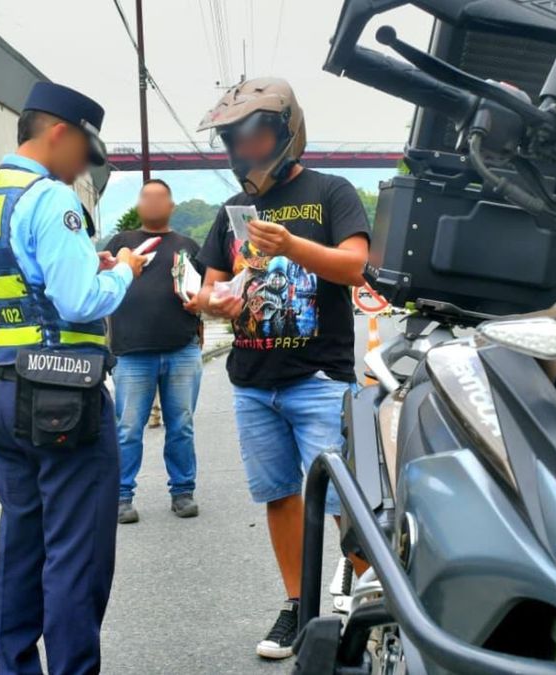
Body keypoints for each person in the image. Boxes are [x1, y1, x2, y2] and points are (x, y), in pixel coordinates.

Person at [0, 81, 146, 675]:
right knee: (75, 557)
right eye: (84, 156)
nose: (83, 170)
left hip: (8, 388)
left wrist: (85, 266)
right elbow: (78, 300)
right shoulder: (52, 200)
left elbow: (18, 282)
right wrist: (124, 273)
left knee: (20, 549)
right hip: (63, 394)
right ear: (60, 133)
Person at [194, 77, 370, 660]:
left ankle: (371, 599)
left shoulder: (332, 191)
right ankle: (298, 605)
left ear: (287, 130)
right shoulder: (230, 211)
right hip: (251, 381)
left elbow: (354, 267)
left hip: (318, 376)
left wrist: (293, 246)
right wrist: (208, 302)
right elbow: (212, 286)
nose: (246, 150)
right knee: (278, 496)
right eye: (234, 140)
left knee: (347, 500)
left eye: (257, 135)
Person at [103, 178, 205, 524]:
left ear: (172, 205)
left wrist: (199, 308)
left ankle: (183, 491)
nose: (154, 203)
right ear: (138, 205)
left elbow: (204, 290)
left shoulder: (188, 245)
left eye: (161, 197)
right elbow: (104, 282)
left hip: (181, 350)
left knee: (182, 426)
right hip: (131, 354)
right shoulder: (122, 244)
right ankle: (121, 496)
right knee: (128, 428)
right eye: (147, 197)